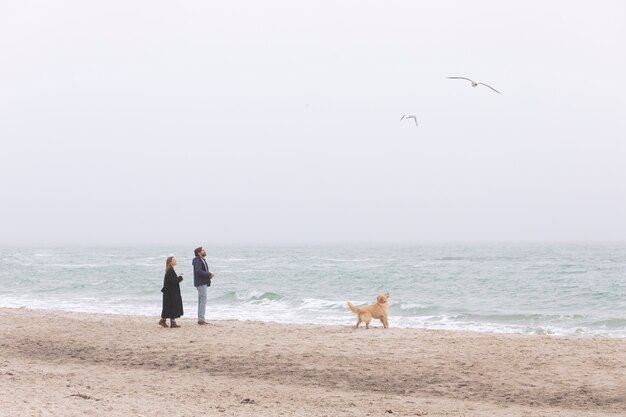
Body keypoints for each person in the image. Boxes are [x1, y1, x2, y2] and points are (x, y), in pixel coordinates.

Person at [159, 256, 184, 328]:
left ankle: (170, 322)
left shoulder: (170, 269)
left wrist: (179, 278)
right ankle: (168, 321)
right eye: (173, 260)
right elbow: (174, 281)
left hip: (170, 292)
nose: (175, 261)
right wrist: (181, 277)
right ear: (170, 262)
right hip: (170, 292)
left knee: (170, 306)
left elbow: (172, 281)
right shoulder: (170, 270)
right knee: (171, 306)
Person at [193, 246, 215, 325]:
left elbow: (201, 271)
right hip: (201, 283)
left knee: (201, 300)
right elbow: (198, 272)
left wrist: (209, 276)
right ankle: (201, 319)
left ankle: (200, 318)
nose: (204, 251)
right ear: (199, 253)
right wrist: (209, 274)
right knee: (203, 300)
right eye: (203, 250)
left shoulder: (200, 260)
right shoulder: (197, 260)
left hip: (202, 282)